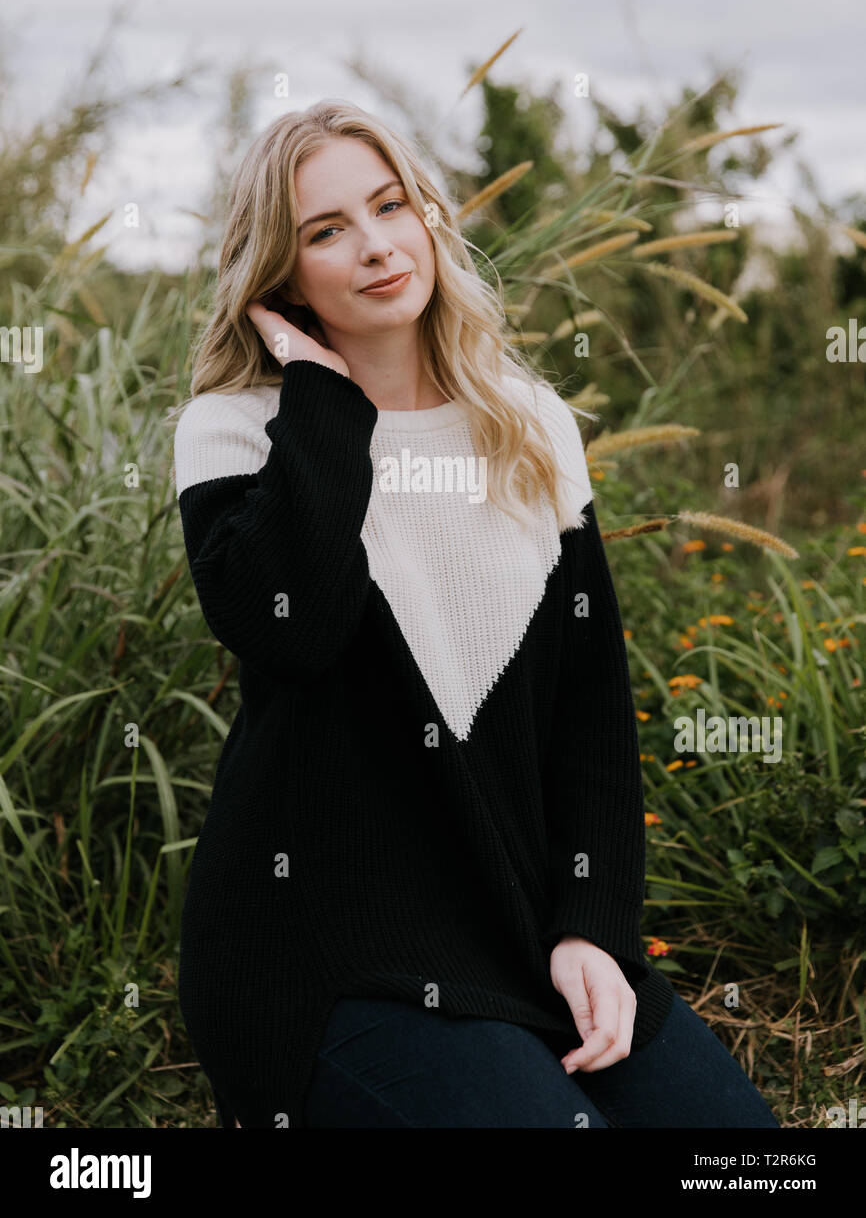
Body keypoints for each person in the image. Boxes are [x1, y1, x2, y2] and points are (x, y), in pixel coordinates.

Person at [171, 99, 780, 1129]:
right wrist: (321, 398)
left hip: (519, 933)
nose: (373, 247)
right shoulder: (235, 433)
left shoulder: (525, 423)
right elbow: (292, 630)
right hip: (328, 954)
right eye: (325, 231)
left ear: (427, 216)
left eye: (387, 205)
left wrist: (589, 925)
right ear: (279, 274)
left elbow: (587, 712)